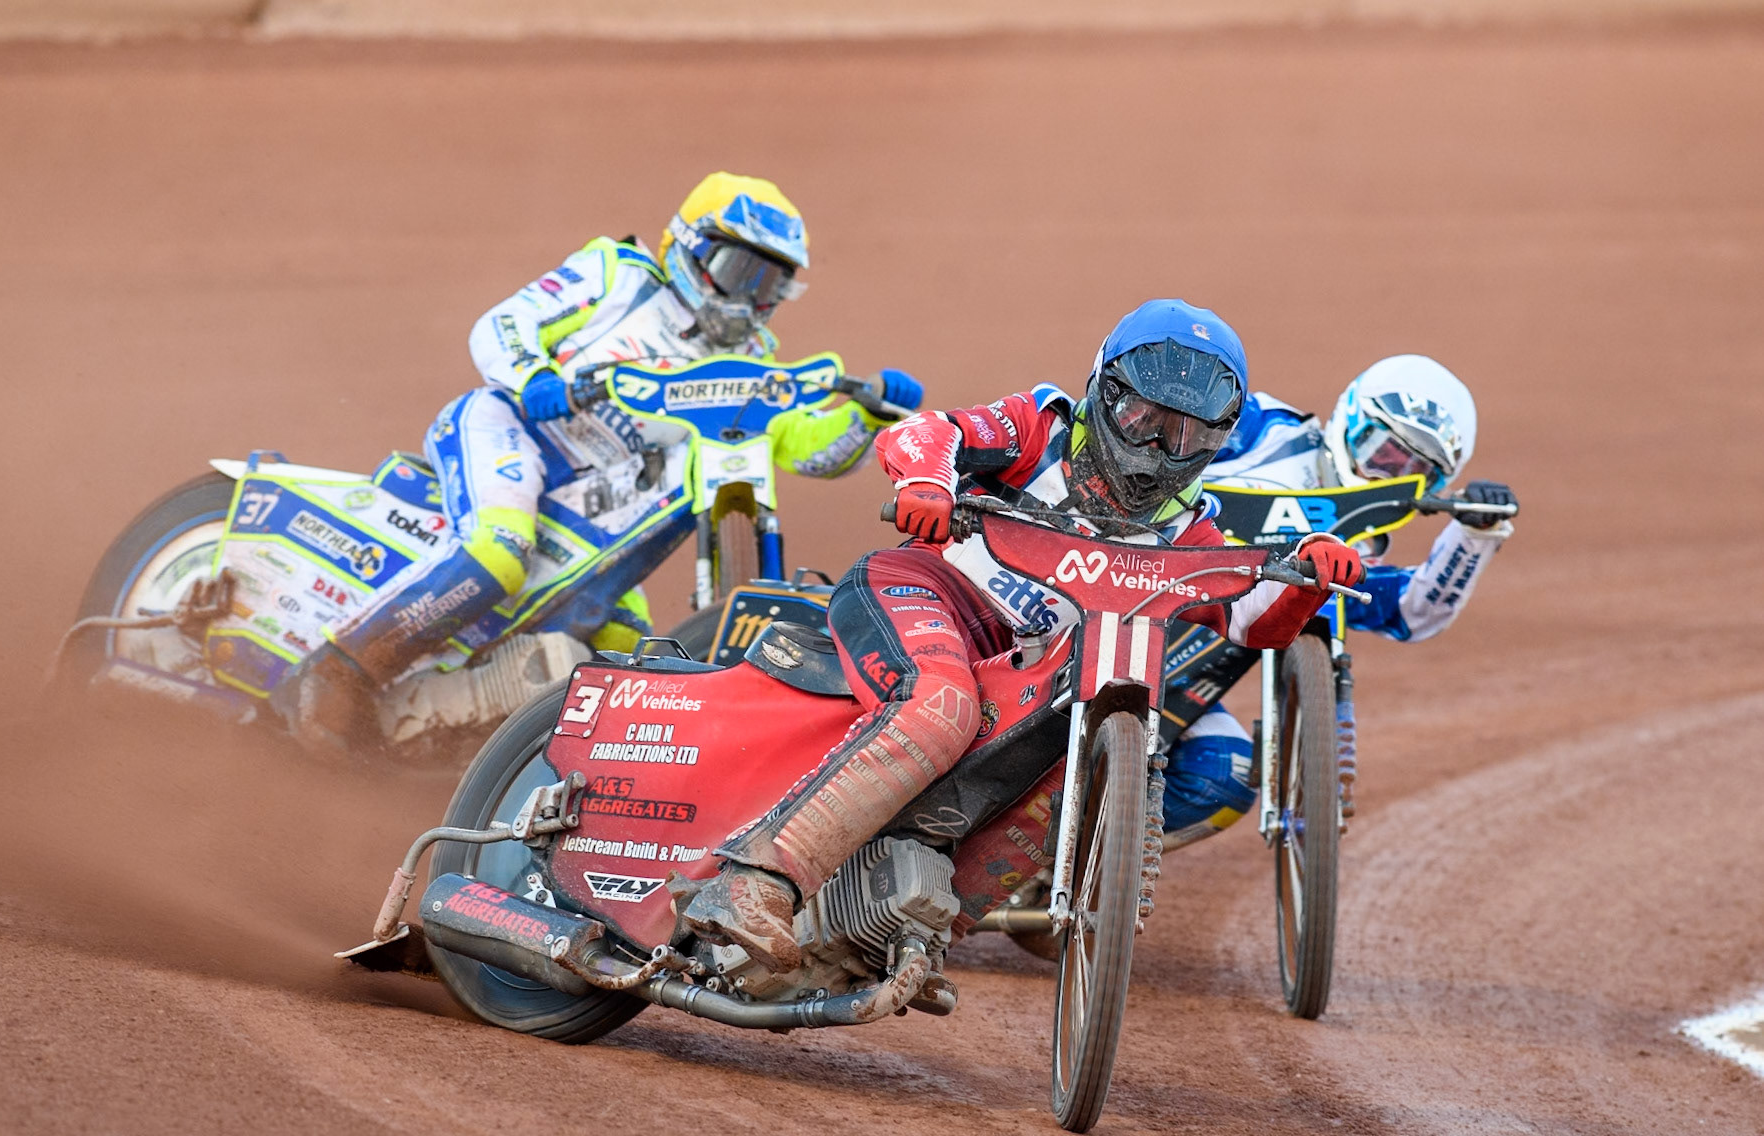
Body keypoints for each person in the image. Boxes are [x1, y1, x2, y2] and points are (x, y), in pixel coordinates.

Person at [681, 299, 1365, 971]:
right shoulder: (1041, 427)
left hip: (1025, 669)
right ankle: (756, 879)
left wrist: (1310, 578)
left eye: (1184, 434)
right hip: (927, 594)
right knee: (942, 707)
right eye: (1144, 418)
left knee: (1068, 767)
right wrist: (927, 484)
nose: (1158, 449)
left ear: (1217, 440)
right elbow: (929, 431)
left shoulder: (1191, 529)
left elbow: (1251, 621)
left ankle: (896, 940)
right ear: (1105, 391)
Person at [274, 172, 925, 756]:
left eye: (772, 285)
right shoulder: (618, 275)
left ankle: (471, 757)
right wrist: (535, 378)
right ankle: (335, 671)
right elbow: (503, 325)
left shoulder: (753, 360)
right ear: (692, 248)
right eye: (742, 272)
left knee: (624, 656)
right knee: (499, 552)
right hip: (512, 431)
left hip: (599, 508)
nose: (753, 300)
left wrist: (867, 418)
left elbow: (803, 447)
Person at [1154, 354, 1520, 841]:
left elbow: (1413, 611)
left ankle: (1086, 866)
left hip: (1177, 692)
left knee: (1224, 776)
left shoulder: (1360, 545)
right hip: (1123, 600)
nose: (1387, 475)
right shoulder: (1262, 430)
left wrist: (1476, 536)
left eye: (1416, 470)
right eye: (1384, 453)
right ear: (1351, 421)